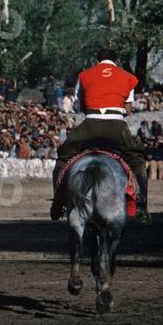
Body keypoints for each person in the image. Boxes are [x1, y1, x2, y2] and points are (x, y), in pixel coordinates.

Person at [51, 49, 150, 224]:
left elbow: (80, 105)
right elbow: (127, 110)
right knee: (137, 160)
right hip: (116, 125)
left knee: (64, 155)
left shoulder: (84, 76)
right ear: (115, 61)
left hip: (90, 124)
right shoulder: (128, 77)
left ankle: (58, 205)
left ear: (98, 60)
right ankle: (142, 208)